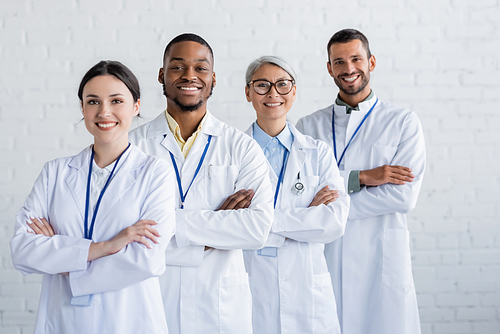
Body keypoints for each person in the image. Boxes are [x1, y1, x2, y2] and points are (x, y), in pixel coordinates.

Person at [9, 60, 176, 333]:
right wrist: (106, 247)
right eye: (93, 101)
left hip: (129, 320)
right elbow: (22, 250)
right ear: (83, 108)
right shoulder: (55, 173)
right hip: (62, 320)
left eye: (116, 100)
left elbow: (147, 260)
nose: (104, 112)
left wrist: (60, 257)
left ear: (136, 106)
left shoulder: (155, 173)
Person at [129, 33, 273, 334]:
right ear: (161, 75)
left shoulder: (241, 147)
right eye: (178, 67)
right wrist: (217, 228)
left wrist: (167, 226)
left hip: (219, 308)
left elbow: (257, 229)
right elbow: (123, 234)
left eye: (200, 68)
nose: (189, 76)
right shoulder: (133, 147)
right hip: (152, 299)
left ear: (214, 78)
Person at [296, 29, 426, 334]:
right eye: (339, 62)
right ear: (329, 68)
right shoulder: (308, 126)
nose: (349, 68)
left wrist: (329, 205)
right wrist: (364, 177)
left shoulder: (402, 122)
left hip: (378, 257)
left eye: (356, 59)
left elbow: (402, 197)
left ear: (371, 62)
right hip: (325, 257)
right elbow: (300, 192)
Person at [242, 56, 350, 334]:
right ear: (248, 92)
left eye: (282, 85)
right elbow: (228, 227)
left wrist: (260, 222)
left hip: (307, 292)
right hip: (253, 286)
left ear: (294, 91)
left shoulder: (318, 152)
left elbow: (334, 222)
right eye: (262, 85)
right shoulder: (232, 155)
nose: (273, 93)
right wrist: (306, 215)